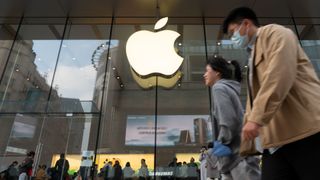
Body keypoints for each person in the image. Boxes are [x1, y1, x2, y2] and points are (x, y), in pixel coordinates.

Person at [222, 6, 320, 180]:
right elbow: (254, 100)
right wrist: (247, 143)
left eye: (232, 32)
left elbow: (279, 75)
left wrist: (255, 119)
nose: (233, 38)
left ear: (245, 24)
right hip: (276, 141)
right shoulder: (252, 54)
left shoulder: (277, 34)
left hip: (306, 132)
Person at [203, 56, 260, 180]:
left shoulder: (218, 88)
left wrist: (221, 143)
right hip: (233, 159)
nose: (204, 75)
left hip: (237, 158)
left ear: (217, 72)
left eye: (207, 71)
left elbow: (228, 121)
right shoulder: (227, 88)